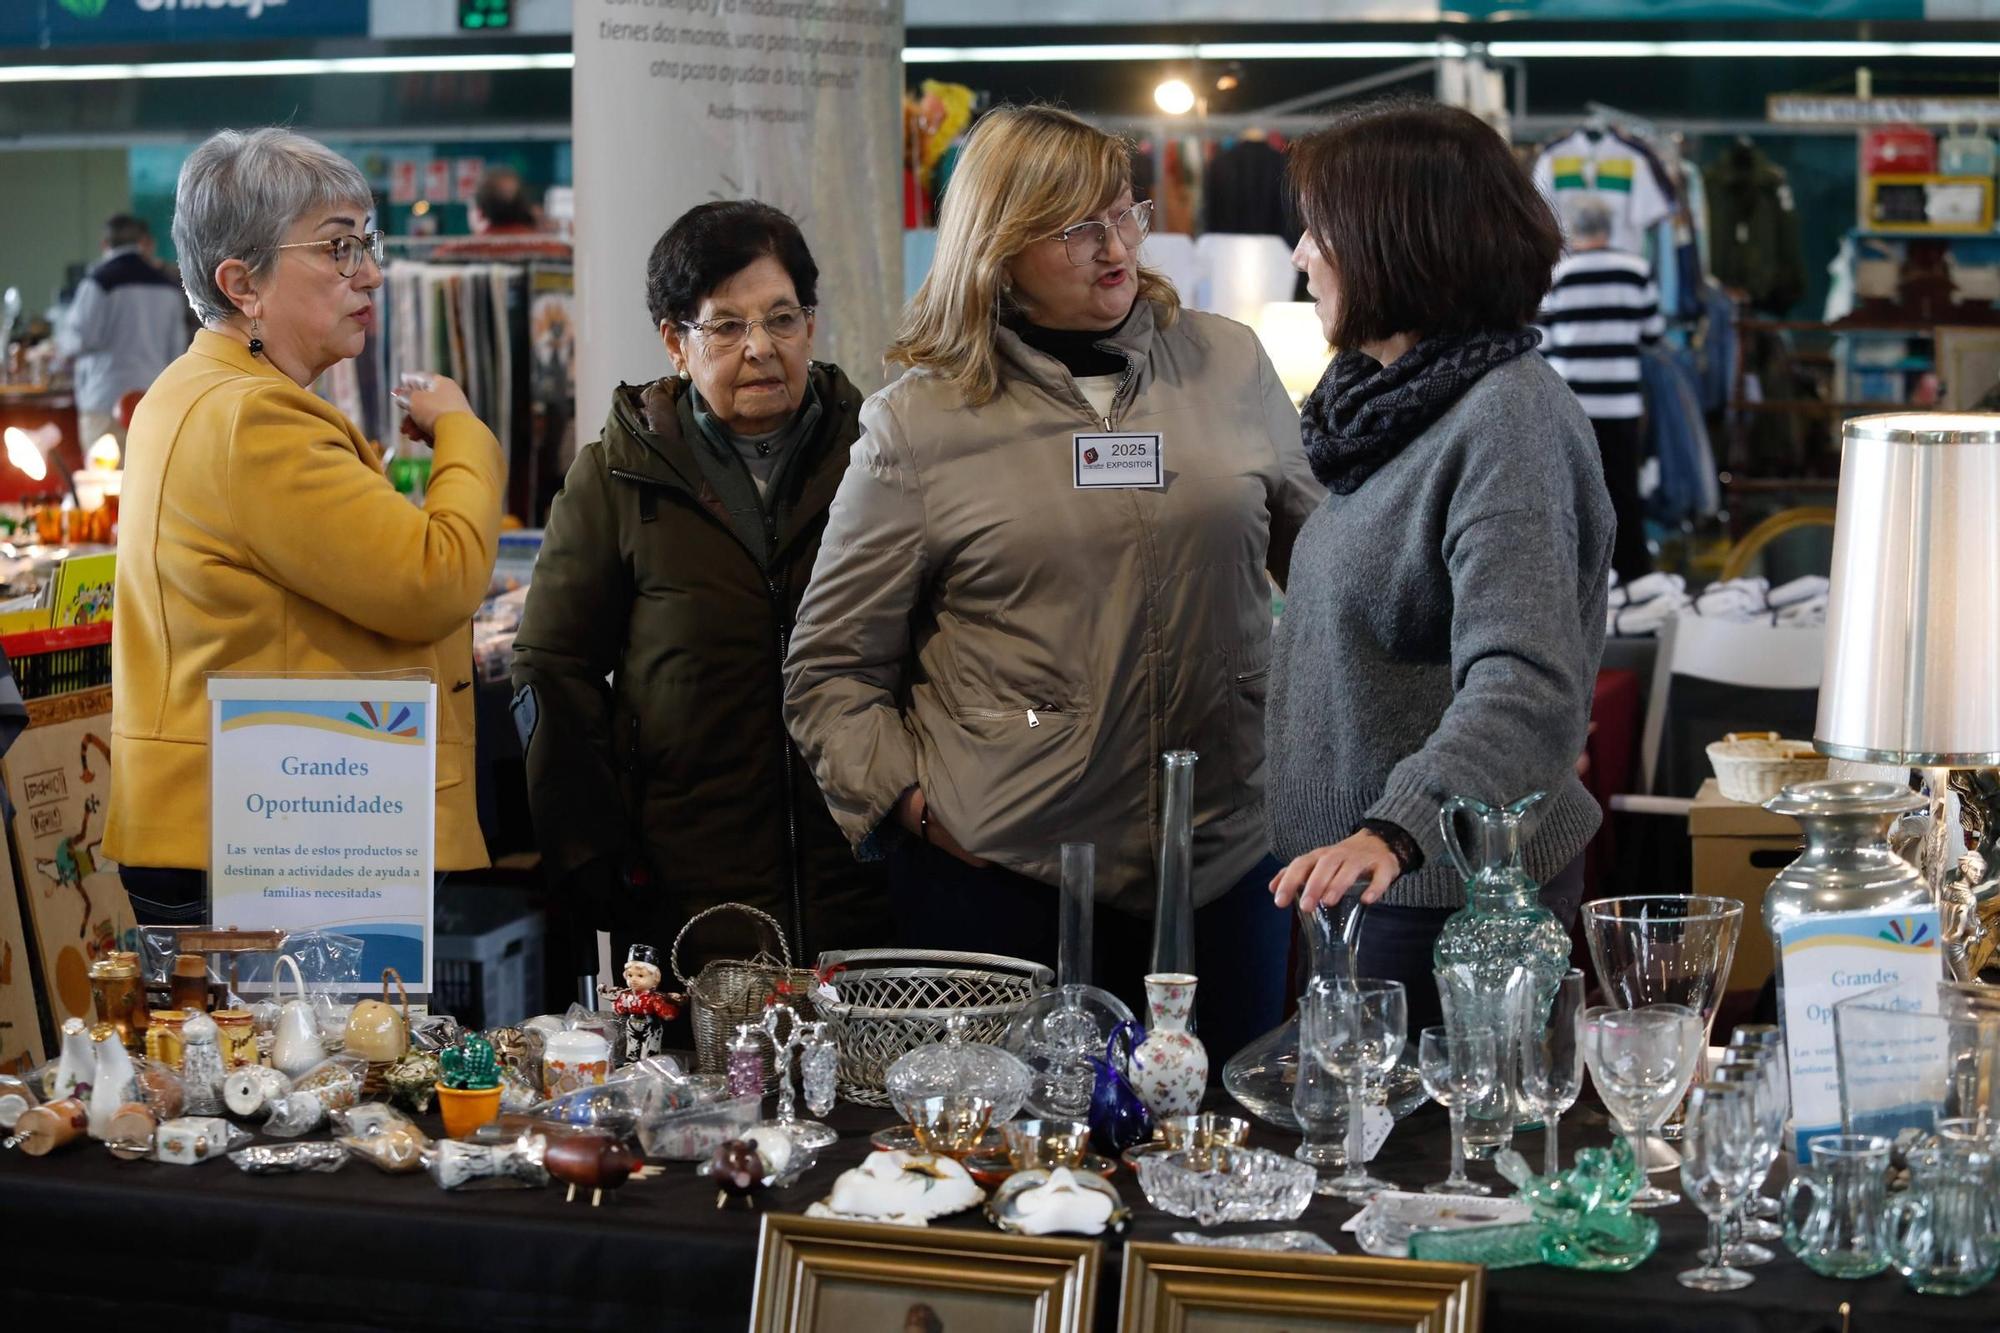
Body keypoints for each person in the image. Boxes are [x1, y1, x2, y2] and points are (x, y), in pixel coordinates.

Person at [783, 105, 1323, 1062]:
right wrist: (916, 808)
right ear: (996, 246)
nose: (1115, 249)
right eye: (1077, 229)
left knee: (1221, 1156)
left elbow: (1324, 573)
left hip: (1225, 857)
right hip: (1007, 877)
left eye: (1123, 214)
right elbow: (830, 669)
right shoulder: (923, 421)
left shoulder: (1227, 361)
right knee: (1023, 1175)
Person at [1266, 99, 1614, 1039]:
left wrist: (1398, 826)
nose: (1301, 254)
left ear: (1396, 241)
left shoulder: (1506, 420)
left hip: (1445, 899)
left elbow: (1527, 681)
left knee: (1431, 1178)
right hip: (1368, 885)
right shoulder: (1385, 414)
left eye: (1320, 228)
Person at [104, 128, 504, 924]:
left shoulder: (201, 391)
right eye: (338, 248)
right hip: (279, 839)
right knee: (305, 1053)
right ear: (241, 283)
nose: (372, 274)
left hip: (252, 824)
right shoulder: (254, 417)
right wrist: (463, 432)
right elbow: (436, 577)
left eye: (366, 243)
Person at [511, 201, 890, 974]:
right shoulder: (618, 476)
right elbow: (554, 667)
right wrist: (593, 854)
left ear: (811, 326)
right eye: (726, 326)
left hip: (871, 878)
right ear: (675, 343)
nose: (760, 348)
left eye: (782, 318)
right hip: (691, 892)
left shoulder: (880, 459)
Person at [1536, 200, 1665, 582]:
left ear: (1575, 231)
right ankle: (1635, 576)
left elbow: (1544, 339)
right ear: (1610, 229)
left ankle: (1582, 577)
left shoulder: (1558, 274)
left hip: (1571, 404)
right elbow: (1652, 334)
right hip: (1622, 402)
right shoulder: (1637, 271)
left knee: (1573, 493)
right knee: (1624, 491)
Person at [55, 214, 187, 450]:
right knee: (144, 482)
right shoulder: (168, 287)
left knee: (100, 482)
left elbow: (78, 340)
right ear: (143, 242)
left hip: (104, 398)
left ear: (105, 244)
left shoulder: (98, 283)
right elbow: (177, 352)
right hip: (152, 399)